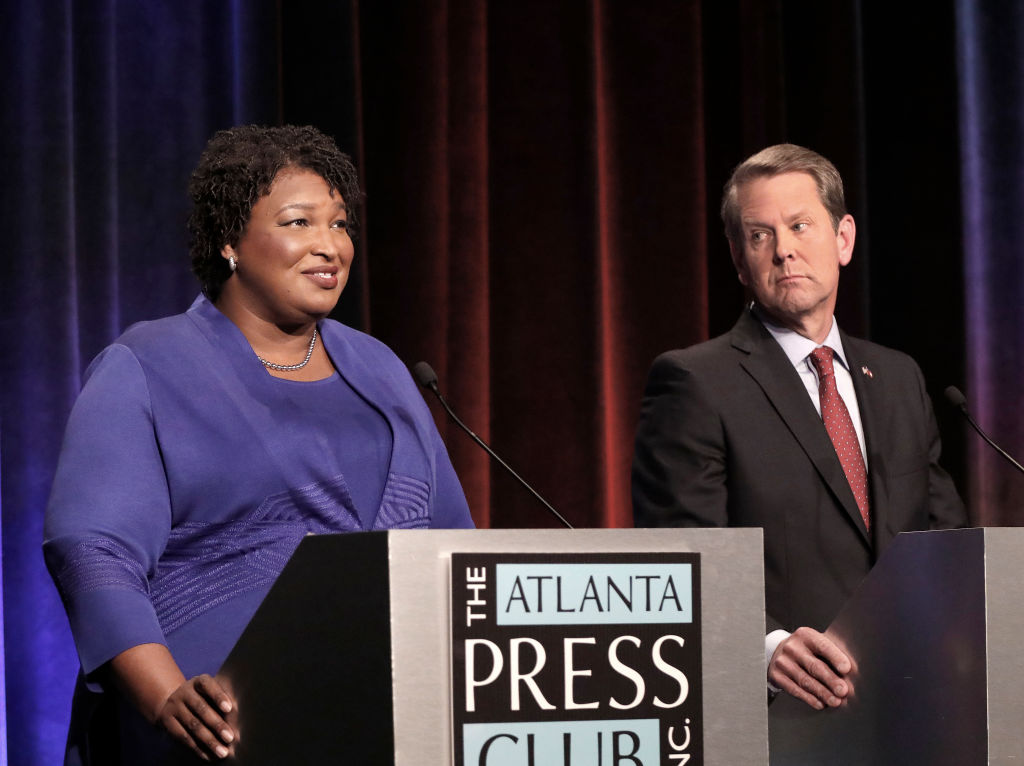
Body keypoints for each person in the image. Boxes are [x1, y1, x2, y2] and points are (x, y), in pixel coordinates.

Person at [43, 125, 475, 764]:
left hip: (390, 725)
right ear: (230, 242)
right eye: (300, 222)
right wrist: (164, 696)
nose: (330, 246)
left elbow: (452, 551)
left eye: (340, 224)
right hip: (216, 739)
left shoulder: (383, 370)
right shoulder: (149, 365)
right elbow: (94, 551)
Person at [631, 143, 966, 711]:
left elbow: (946, 538)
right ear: (739, 260)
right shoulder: (695, 382)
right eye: (760, 235)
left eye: (799, 225)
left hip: (916, 705)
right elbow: (680, 559)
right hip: (784, 716)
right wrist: (766, 649)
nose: (784, 250)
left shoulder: (897, 376)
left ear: (843, 239)